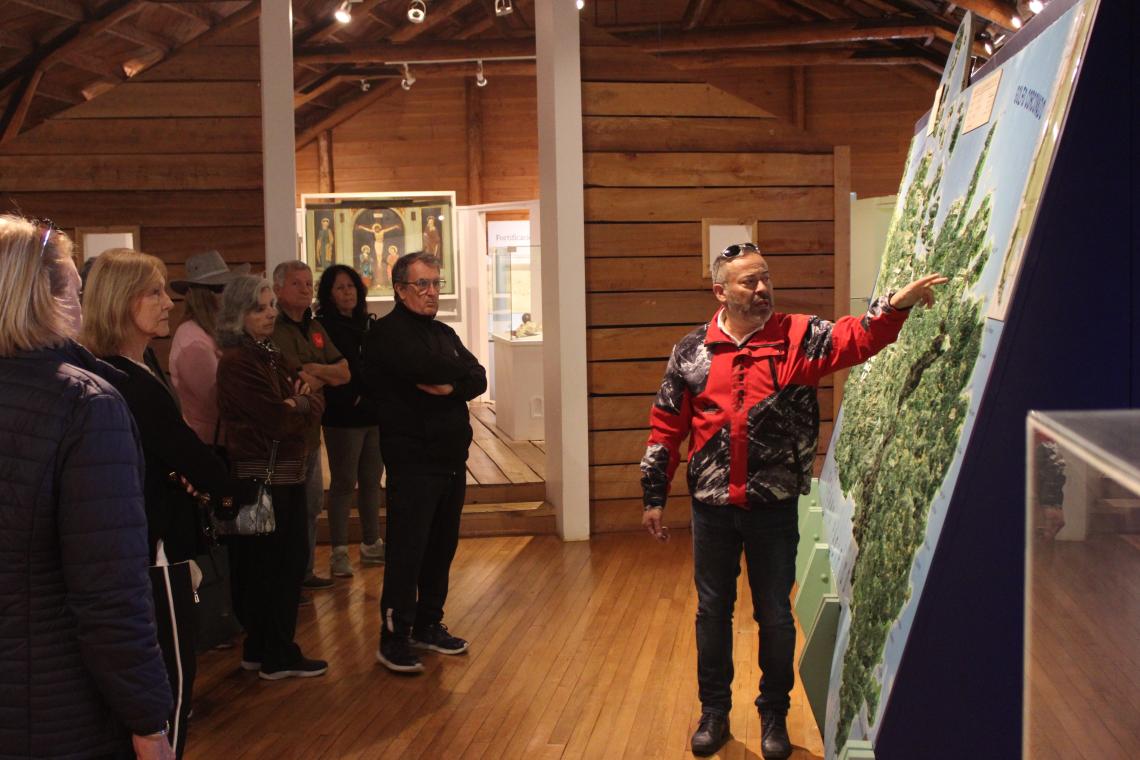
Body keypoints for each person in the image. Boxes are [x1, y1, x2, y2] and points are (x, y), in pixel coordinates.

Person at [640, 242, 947, 759]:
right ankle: (714, 712)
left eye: (765, 280)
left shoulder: (799, 336)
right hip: (712, 509)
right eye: (748, 282)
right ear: (721, 291)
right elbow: (667, 426)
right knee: (711, 612)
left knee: (776, 616)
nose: (761, 290)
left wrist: (895, 304)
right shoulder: (692, 350)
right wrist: (654, 493)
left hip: (773, 507)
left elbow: (858, 338)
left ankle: (773, 715)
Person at [0, 215, 174, 760]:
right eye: (74, 290)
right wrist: (149, 721)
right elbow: (108, 592)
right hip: (53, 704)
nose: (81, 306)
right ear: (43, 299)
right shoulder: (83, 403)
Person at [82, 248, 236, 759]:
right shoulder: (121, 376)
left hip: (156, 534)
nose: (169, 302)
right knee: (167, 692)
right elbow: (177, 446)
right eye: (154, 291)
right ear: (121, 301)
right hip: (152, 549)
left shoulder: (134, 363)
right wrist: (228, 489)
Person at [362, 251, 486, 674]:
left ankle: (428, 625)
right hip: (413, 460)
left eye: (436, 283)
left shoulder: (444, 332)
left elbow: (479, 375)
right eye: (423, 285)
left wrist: (450, 385)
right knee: (408, 550)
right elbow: (425, 366)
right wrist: (458, 377)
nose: (432, 292)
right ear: (399, 289)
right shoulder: (388, 335)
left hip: (451, 458)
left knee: (441, 548)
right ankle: (394, 638)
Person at [216, 274, 329, 680]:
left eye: (270, 306)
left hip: (284, 475)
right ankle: (275, 652)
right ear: (237, 314)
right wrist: (298, 401)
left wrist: (299, 400)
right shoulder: (237, 361)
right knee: (270, 569)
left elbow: (315, 401)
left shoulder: (269, 352)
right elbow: (277, 419)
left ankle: (264, 648)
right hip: (261, 479)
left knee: (283, 564)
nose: (269, 314)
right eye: (259, 308)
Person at [271, 261, 351, 592]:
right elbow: (293, 378)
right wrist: (320, 375)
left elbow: (344, 372)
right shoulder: (272, 328)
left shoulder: (314, 326)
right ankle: (287, 579)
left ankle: (304, 572)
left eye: (309, 283)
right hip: (285, 438)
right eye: (297, 284)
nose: (306, 289)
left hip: (311, 436)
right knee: (286, 511)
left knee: (311, 504)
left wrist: (316, 371)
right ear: (277, 289)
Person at [315, 264, 386, 577]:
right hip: (343, 416)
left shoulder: (366, 324)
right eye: (341, 287)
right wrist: (354, 396)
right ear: (329, 293)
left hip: (374, 413)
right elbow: (326, 370)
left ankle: (372, 544)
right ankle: (339, 552)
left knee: (371, 481)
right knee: (344, 483)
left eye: (352, 286)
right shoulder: (321, 327)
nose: (348, 293)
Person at [169, 250, 249, 444]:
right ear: (206, 295)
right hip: (210, 443)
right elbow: (216, 400)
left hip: (222, 439)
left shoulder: (209, 331)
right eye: (222, 288)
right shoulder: (193, 340)